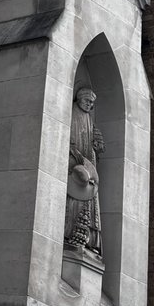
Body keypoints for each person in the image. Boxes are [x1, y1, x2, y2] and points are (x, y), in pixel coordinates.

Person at [64, 86, 103, 255]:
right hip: (75, 167)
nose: (89, 105)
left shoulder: (89, 119)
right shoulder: (72, 113)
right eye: (87, 101)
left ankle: (87, 240)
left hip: (86, 170)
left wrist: (97, 144)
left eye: (92, 103)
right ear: (79, 99)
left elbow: (98, 144)